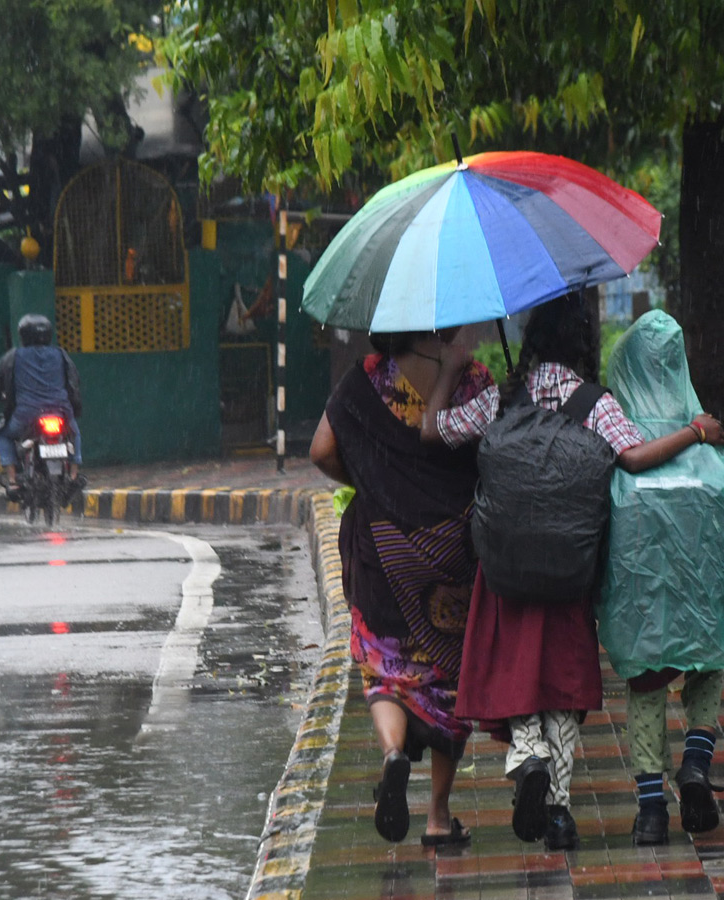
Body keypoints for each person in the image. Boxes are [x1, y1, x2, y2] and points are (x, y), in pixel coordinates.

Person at [422, 292, 724, 851]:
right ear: (583, 342)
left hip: (507, 565)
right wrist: (697, 433)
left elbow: (433, 431)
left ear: (534, 338)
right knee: (561, 683)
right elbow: (634, 458)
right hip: (568, 563)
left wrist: (450, 368)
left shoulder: (502, 396)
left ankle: (528, 754)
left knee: (513, 672)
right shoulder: (596, 402)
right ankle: (558, 811)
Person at [309, 329, 494, 847]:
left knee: (384, 668)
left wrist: (371, 480)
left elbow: (321, 450)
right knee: (447, 679)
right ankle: (438, 816)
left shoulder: (366, 380)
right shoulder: (473, 377)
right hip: (451, 551)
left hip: (381, 551)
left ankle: (393, 754)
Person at [597, 310, 724, 846]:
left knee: (647, 687)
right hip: (702, 600)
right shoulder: (706, 439)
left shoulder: (618, 435)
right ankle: (696, 759)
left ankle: (651, 810)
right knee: (710, 666)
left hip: (642, 602)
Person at [0, 314, 85, 501]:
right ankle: (74, 474)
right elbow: (74, 382)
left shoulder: (13, 356)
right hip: (60, 412)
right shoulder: (60, 354)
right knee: (74, 434)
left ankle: (12, 480)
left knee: (1, 434)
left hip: (26, 415)